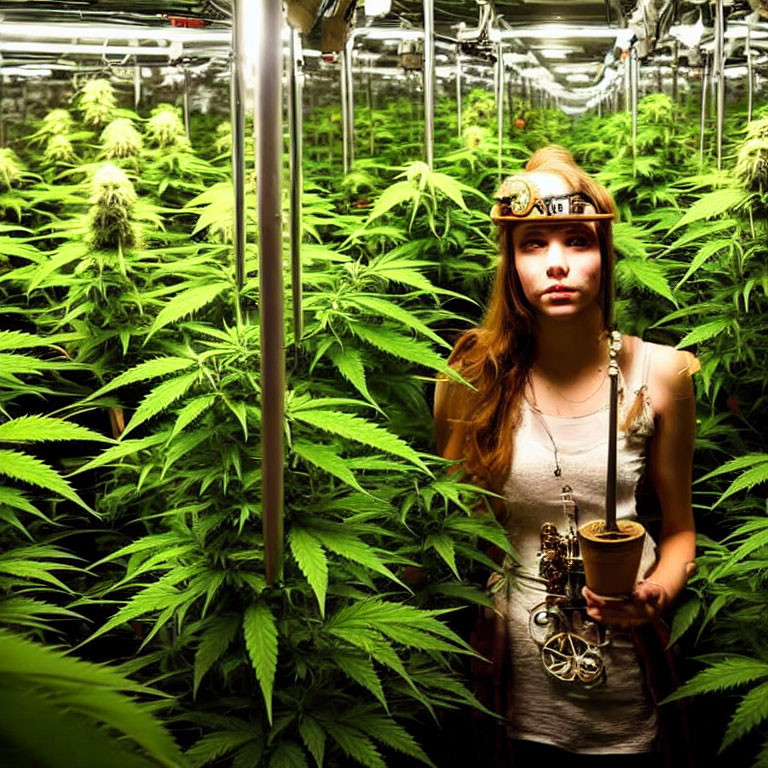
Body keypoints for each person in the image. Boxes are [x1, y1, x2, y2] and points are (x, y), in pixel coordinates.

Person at [433, 146, 698, 767]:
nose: (556, 264)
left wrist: (657, 590)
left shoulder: (664, 373)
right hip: (510, 673)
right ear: (510, 263)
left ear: (606, 255)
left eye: (577, 242)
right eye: (533, 245)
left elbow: (682, 531)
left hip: (631, 671)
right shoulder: (472, 375)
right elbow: (442, 527)